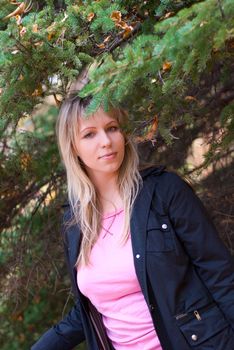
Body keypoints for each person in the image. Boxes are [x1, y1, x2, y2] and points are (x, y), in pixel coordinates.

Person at [32, 69, 234, 350]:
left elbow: (221, 275)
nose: (106, 141)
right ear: (73, 147)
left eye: (112, 128)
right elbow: (90, 308)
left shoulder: (164, 191)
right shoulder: (76, 221)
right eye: (90, 134)